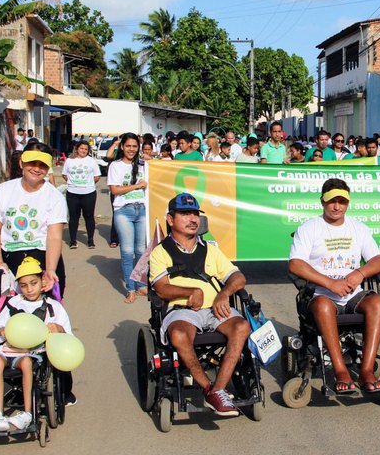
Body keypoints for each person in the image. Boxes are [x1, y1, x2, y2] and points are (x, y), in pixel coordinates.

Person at [149, 193, 251, 416]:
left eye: (195, 214)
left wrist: (224, 294)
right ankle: (208, 387)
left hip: (215, 308)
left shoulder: (210, 250)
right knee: (178, 335)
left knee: (242, 326)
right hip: (183, 311)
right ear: (170, 219)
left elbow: (238, 278)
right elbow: (161, 288)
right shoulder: (160, 252)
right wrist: (189, 292)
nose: (192, 219)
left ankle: (219, 390)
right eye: (185, 214)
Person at [289, 178, 380, 393]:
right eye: (332, 201)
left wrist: (359, 273)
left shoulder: (358, 228)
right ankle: (341, 370)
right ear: (322, 201)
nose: (337, 206)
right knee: (324, 306)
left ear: (348, 203)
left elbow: (378, 261)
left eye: (342, 201)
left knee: (378, 302)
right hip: (322, 294)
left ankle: (367, 369)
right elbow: (296, 264)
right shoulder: (309, 228)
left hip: (353, 295)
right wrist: (330, 283)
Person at [0, 257, 72, 432]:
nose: (29, 289)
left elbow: (67, 335)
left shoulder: (52, 306)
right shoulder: (12, 303)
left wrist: (57, 328)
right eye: (24, 285)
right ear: (19, 285)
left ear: (42, 281)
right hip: (7, 349)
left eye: (33, 283)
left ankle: (27, 413)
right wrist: (1, 331)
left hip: (31, 352)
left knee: (26, 362)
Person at [0, 142, 67, 298]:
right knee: (11, 316)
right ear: (21, 162)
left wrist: (50, 270)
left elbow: (54, 236)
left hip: (42, 260)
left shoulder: (55, 197)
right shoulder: (4, 190)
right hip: (12, 261)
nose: (36, 169)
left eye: (42, 165)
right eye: (32, 163)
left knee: (45, 317)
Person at [107, 133, 148, 303]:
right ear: (122, 146)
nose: (131, 149)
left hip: (142, 210)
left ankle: (140, 284)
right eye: (128, 146)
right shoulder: (115, 166)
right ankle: (130, 288)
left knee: (141, 250)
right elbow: (115, 190)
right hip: (124, 211)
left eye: (134, 146)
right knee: (127, 251)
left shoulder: (144, 164)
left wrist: (150, 158)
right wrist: (137, 185)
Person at [62, 140, 101, 249]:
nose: (83, 151)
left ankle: (90, 240)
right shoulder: (69, 160)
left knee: (89, 216)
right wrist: (73, 183)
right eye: (81, 148)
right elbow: (64, 175)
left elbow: (97, 176)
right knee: (74, 217)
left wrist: (88, 184)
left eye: (86, 149)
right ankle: (73, 240)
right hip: (72, 193)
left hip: (89, 193)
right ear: (77, 149)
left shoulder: (91, 161)